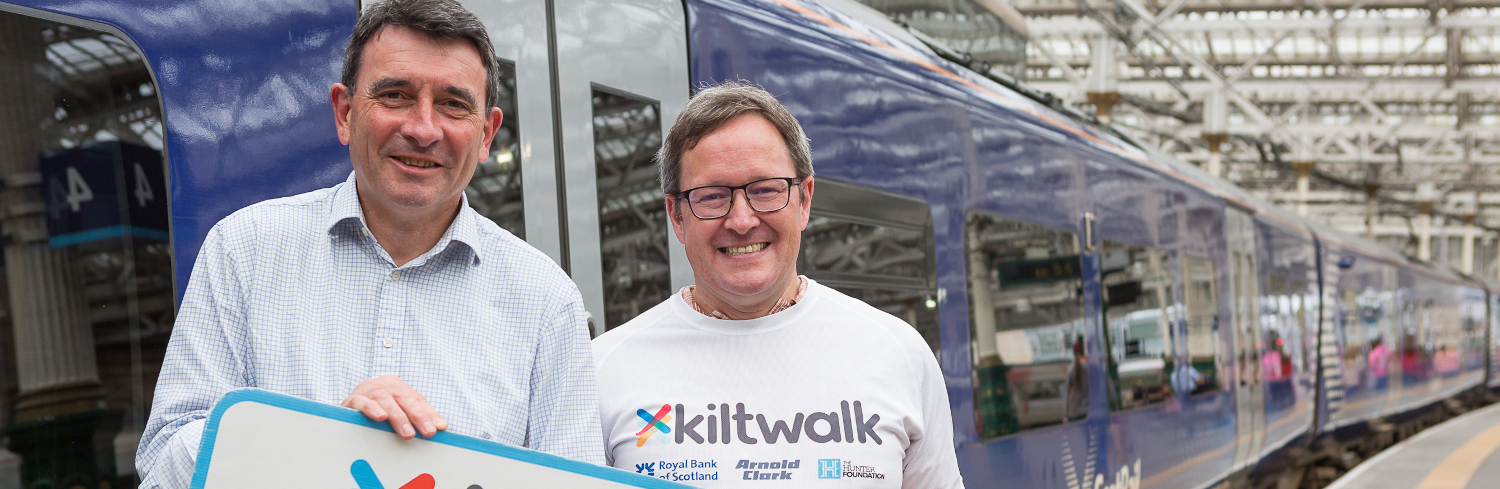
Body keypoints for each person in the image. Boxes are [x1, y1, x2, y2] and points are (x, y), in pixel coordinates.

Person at [136, 0, 601, 486]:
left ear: (486, 135)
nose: (423, 129)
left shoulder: (548, 302)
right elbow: (163, 468)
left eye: (454, 104)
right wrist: (314, 439)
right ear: (345, 112)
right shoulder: (243, 252)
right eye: (396, 95)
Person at [592, 82, 964, 488]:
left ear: (804, 200)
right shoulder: (603, 370)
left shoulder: (900, 355)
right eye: (713, 196)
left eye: (765, 190)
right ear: (677, 216)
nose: (741, 220)